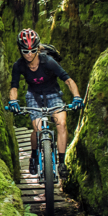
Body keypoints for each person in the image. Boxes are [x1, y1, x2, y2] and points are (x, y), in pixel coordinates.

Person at [8, 28, 83, 178]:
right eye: (25, 51)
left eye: (33, 50)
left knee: (61, 123)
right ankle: (34, 155)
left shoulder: (48, 61)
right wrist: (13, 101)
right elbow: (14, 86)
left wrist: (76, 97)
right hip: (33, 96)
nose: (29, 54)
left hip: (53, 94)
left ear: (38, 48)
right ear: (20, 50)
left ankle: (62, 163)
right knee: (37, 128)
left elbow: (67, 80)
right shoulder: (19, 65)